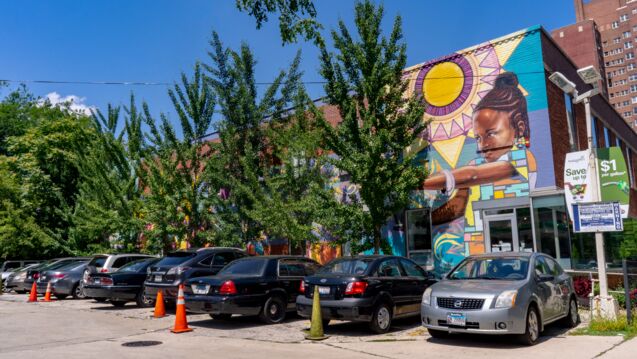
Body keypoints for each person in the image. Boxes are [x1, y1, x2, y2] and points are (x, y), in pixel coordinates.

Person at [423, 72, 534, 225]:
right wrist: (423, 221)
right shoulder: (476, 163)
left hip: (512, 231)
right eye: (478, 138)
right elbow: (458, 205)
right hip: (475, 246)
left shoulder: (521, 158)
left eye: (491, 134)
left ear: (519, 128)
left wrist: (421, 182)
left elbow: (472, 175)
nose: (483, 145)